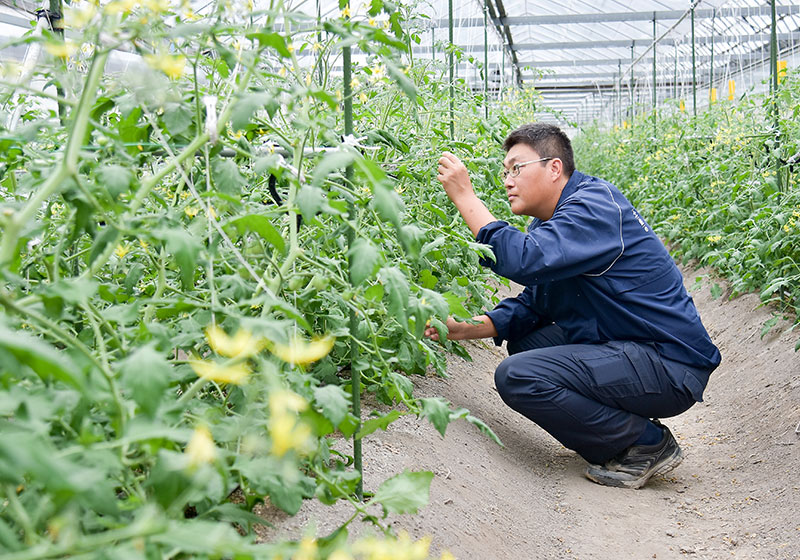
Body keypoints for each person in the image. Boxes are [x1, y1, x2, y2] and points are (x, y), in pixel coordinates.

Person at [425, 123, 721, 489]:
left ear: (554, 168)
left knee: (519, 375)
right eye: (505, 171)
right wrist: (466, 328)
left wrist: (464, 196)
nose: (507, 180)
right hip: (630, 345)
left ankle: (644, 443)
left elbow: (525, 260)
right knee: (528, 344)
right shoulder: (552, 222)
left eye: (516, 168)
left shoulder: (593, 207)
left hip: (669, 364)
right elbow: (535, 305)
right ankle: (622, 430)